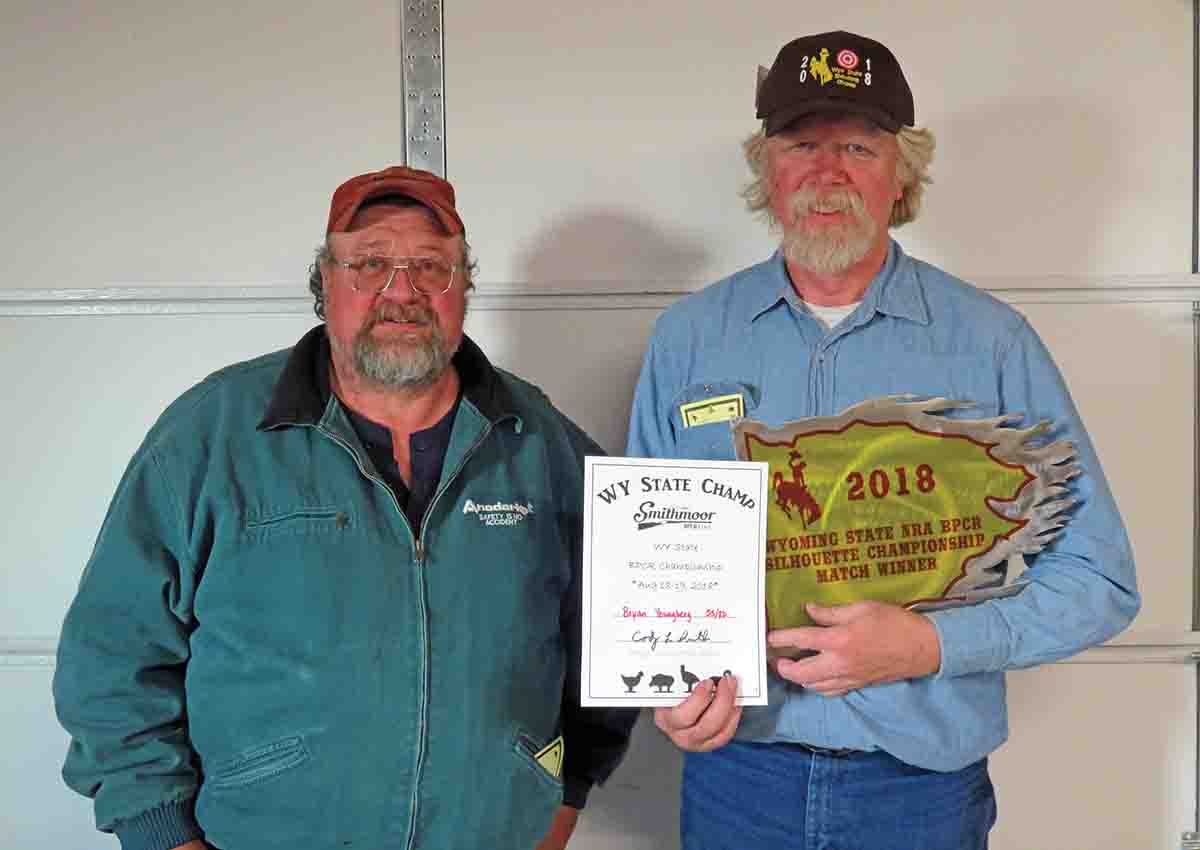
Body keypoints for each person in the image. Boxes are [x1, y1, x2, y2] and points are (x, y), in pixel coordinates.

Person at [626, 31, 1139, 850]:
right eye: (802, 144)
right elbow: (647, 566)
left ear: (902, 171)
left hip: (921, 791)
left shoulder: (992, 344)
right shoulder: (689, 341)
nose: (828, 174)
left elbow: (1099, 579)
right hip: (738, 781)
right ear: (767, 167)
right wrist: (669, 684)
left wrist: (929, 643)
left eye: (859, 146)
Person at [54, 166, 638, 850]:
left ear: (464, 289)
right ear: (323, 284)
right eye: (368, 264)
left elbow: (619, 628)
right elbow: (111, 659)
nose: (401, 291)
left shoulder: (539, 440)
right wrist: (162, 833)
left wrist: (560, 805)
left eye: (431, 266)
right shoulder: (211, 435)